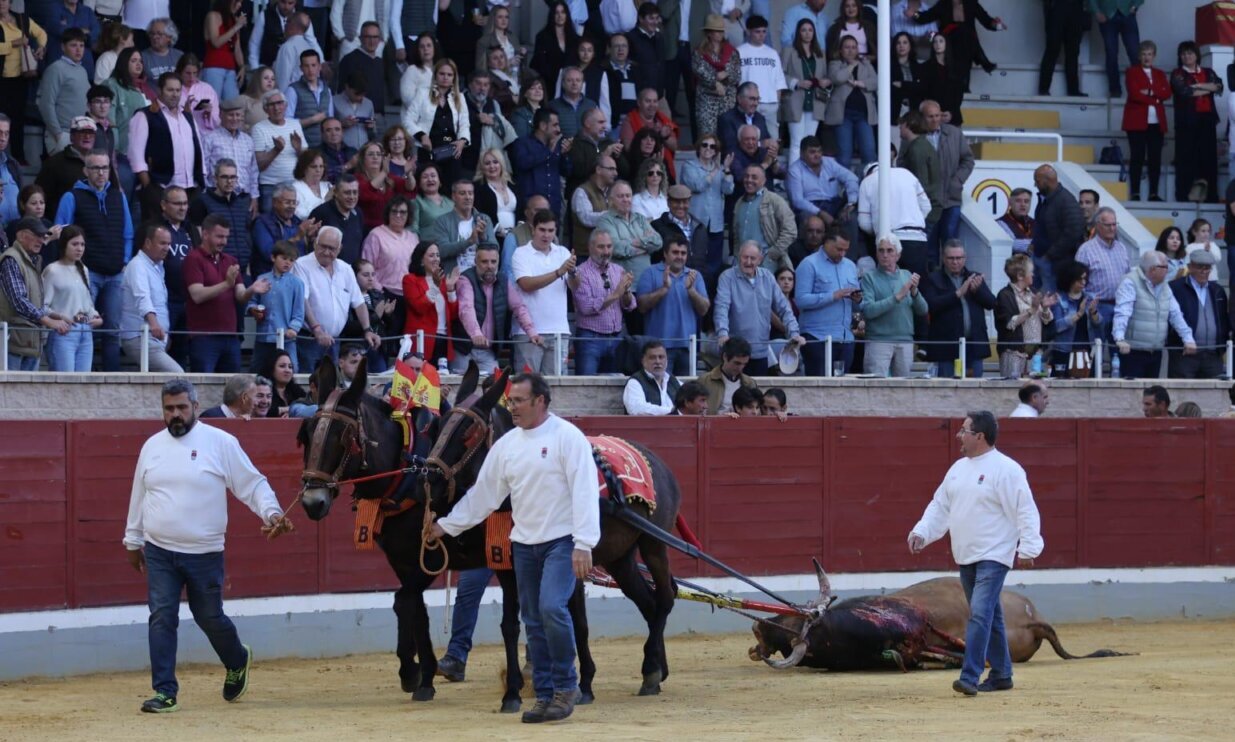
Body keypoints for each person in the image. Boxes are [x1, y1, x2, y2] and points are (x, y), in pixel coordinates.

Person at [427, 372, 596, 724]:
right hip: (524, 543)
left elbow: (584, 492)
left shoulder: (568, 437)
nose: (512, 407)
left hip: (563, 542)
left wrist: (584, 543)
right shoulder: (507, 446)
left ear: (540, 401)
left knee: (551, 608)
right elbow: (484, 496)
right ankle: (546, 695)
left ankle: (567, 686)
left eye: (518, 400)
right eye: (510, 401)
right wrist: (445, 526)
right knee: (533, 620)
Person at [123, 378, 294, 713]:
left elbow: (252, 483)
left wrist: (272, 511)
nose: (175, 414)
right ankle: (165, 691)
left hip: (204, 552)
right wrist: (133, 539)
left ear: (196, 407)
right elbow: (139, 494)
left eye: (181, 408)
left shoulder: (220, 442)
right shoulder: (152, 446)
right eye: (169, 408)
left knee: (209, 617)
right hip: (159, 551)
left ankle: (237, 659)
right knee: (161, 616)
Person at [907, 410, 1043, 696]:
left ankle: (969, 676)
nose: (959, 435)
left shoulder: (1007, 469)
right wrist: (922, 531)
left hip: (994, 556)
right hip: (966, 554)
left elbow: (1025, 510)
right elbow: (940, 506)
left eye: (964, 431)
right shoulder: (957, 469)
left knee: (979, 614)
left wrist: (1029, 547)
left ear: (979, 436)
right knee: (990, 616)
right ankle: (1002, 673)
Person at [54, 149, 136, 372]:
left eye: (105, 168)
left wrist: (125, 260)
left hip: (115, 273)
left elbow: (127, 233)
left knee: (111, 330)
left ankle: (111, 378)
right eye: (96, 168)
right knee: (81, 327)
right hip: (86, 275)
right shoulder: (72, 197)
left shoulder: (118, 196)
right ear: (85, 171)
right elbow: (61, 233)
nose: (101, 173)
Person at [184, 214, 269, 372]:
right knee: (204, 386)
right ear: (205, 234)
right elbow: (197, 295)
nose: (224, 241)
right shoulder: (193, 259)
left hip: (230, 337)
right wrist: (226, 284)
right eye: (219, 236)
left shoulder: (230, 260)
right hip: (204, 338)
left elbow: (240, 295)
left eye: (226, 237)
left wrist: (252, 289)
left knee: (233, 389)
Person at [716, 241, 803, 376]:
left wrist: (794, 333)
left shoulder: (767, 277)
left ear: (760, 260)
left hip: (761, 352)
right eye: (745, 257)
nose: (748, 262)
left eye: (753, 258)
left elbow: (784, 308)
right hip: (735, 353)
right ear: (739, 256)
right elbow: (722, 307)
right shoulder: (727, 277)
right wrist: (722, 333)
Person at [1113, 250, 1196, 379]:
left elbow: (1176, 314)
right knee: (1133, 394)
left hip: (1156, 351)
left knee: (1153, 394)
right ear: (1153, 269)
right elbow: (1123, 312)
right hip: (1133, 352)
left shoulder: (1165, 287)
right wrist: (1120, 339)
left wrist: (1188, 339)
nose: (1168, 270)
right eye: (1166, 267)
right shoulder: (1130, 282)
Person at [512, 209, 576, 374]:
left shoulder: (563, 252)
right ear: (533, 229)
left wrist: (573, 271)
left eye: (550, 230)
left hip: (559, 332)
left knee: (557, 390)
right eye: (542, 230)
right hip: (527, 333)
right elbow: (526, 284)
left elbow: (575, 287)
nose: (546, 235)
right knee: (526, 387)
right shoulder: (521, 253)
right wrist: (558, 273)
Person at [922, 239, 997, 378]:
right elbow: (930, 306)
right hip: (947, 346)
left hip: (973, 345)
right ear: (943, 258)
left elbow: (992, 303)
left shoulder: (974, 277)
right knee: (947, 392)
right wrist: (957, 294)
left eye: (959, 258)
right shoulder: (933, 278)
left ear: (965, 258)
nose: (955, 262)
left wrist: (977, 291)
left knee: (975, 391)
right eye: (951, 258)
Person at [1, 219, 69, 370]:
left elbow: (34, 301)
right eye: (37, 235)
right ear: (22, 236)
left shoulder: (33, 260)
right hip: (13, 343)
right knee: (11, 392)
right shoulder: (11, 260)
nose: (42, 240)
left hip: (30, 341)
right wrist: (48, 321)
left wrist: (55, 316)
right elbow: (18, 300)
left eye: (43, 235)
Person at [636, 238, 710, 376]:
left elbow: (704, 309)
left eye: (683, 253)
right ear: (665, 253)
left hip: (688, 348)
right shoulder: (650, 273)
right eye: (675, 252)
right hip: (658, 349)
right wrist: (664, 289)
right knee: (660, 391)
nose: (679, 257)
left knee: (686, 394)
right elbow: (641, 306)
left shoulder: (695, 276)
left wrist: (691, 291)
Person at [454, 242, 531, 374]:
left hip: (489, 351)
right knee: (461, 392)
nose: (489, 266)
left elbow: (519, 307)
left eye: (493, 262)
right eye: (484, 262)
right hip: (465, 350)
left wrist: (531, 331)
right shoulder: (465, 279)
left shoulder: (503, 280)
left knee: (495, 390)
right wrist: (476, 334)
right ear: (475, 261)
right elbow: (466, 309)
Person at [794, 228, 859, 376]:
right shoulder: (809, 264)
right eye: (839, 249)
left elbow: (860, 301)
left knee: (842, 389)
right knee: (818, 387)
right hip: (817, 337)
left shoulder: (850, 266)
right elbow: (801, 300)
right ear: (827, 243)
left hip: (845, 338)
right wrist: (833, 296)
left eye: (845, 250)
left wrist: (858, 299)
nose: (842, 254)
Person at [860, 235, 927, 377]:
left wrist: (914, 292)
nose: (885, 255)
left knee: (903, 390)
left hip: (905, 341)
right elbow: (868, 311)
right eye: (881, 250)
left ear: (898, 255)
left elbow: (923, 310)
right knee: (875, 388)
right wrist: (897, 297)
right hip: (878, 340)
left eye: (890, 251)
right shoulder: (869, 278)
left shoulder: (907, 275)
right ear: (876, 253)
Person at [120, 224, 183, 372]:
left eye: (168, 244)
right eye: (162, 243)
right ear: (148, 243)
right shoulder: (138, 265)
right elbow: (142, 297)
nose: (167, 248)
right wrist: (154, 324)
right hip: (140, 337)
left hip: (154, 339)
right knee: (178, 375)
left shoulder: (157, 266)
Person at [571, 229, 635, 375]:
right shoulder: (581, 272)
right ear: (590, 247)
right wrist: (615, 294)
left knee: (613, 388)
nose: (606, 251)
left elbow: (630, 305)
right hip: (590, 339)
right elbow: (585, 307)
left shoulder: (618, 270)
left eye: (609, 246)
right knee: (586, 388)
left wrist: (625, 292)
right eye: (601, 247)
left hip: (616, 337)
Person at [857, 155, 932, 275]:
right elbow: (926, 207)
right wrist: (912, 220)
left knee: (890, 286)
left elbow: (864, 223)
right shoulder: (907, 174)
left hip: (888, 241)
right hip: (917, 238)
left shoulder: (866, 182)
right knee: (916, 286)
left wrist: (878, 229)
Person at [918, 100, 973, 263]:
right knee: (929, 249)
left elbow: (968, 160)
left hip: (951, 199)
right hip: (926, 202)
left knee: (951, 246)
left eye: (938, 115)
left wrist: (957, 181)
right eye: (930, 116)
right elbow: (903, 163)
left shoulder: (955, 133)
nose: (935, 120)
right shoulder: (915, 136)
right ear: (922, 118)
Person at [41, 226, 101, 372]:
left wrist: (96, 316)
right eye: (74, 244)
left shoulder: (84, 269)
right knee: (64, 383)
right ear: (63, 245)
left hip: (85, 331)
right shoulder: (52, 270)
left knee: (83, 383)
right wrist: (61, 317)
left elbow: (87, 304)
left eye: (82, 244)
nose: (79, 248)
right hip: (64, 332)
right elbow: (42, 306)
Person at [912, 0, 1004, 92]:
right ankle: (982, 61)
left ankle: (964, 86)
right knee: (964, 32)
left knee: (965, 36)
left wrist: (997, 25)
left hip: (966, 45)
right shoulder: (943, 4)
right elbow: (925, 17)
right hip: (949, 43)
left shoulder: (971, 3)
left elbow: (987, 21)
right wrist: (914, 14)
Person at [1171, 41, 1222, 204]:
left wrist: (1198, 85)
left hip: (1207, 120)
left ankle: (1210, 196)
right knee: (1186, 159)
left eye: (1190, 53)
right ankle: (1184, 196)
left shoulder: (1208, 71)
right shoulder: (1177, 73)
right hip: (1187, 122)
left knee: (1209, 160)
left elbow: (1219, 86)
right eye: (1184, 54)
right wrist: (1208, 88)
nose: (1187, 57)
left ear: (1196, 55)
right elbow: (1185, 92)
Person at [678, 134, 733, 278]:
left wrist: (726, 169)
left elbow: (728, 190)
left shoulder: (720, 169)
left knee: (715, 262)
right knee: (695, 261)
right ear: (699, 147)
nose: (708, 148)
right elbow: (698, 185)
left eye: (712, 146)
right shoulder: (689, 166)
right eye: (705, 145)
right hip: (696, 221)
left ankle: (711, 294)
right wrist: (715, 171)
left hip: (715, 223)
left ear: (716, 151)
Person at [1167, 250, 1229, 379]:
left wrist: (1222, 347)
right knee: (1181, 395)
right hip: (1184, 355)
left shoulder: (1217, 290)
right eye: (1200, 267)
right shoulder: (1175, 288)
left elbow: (1223, 319)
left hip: (1213, 355)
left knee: (1213, 396)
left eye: (1207, 267)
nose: (1204, 271)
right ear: (1190, 267)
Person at [247, 239, 305, 373]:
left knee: (291, 370)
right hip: (263, 336)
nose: (287, 263)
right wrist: (253, 310)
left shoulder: (297, 283)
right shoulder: (262, 278)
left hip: (286, 338)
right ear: (273, 257)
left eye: (291, 260)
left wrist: (293, 328)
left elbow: (299, 312)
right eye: (284, 258)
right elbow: (252, 302)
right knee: (257, 371)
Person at [994, 254, 1056, 379]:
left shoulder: (1033, 292)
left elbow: (1047, 320)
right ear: (1020, 276)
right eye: (1030, 272)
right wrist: (1032, 309)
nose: (1033, 275)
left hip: (1035, 353)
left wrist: (1044, 307)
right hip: (1014, 352)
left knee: (1035, 388)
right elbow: (1009, 323)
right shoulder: (1005, 295)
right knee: (1011, 390)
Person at [0, 3, 47, 167]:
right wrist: (13, 44)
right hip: (1, 78)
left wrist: (41, 47)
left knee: (18, 118)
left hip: (20, 77)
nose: (1, 3)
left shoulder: (21, 18)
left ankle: (17, 156)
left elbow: (41, 33)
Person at [1075, 206, 1130, 347]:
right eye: (1108, 225)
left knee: (1118, 355)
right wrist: (1090, 303)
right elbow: (1077, 283)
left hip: (1119, 307)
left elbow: (1128, 278)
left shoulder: (1121, 248)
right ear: (1098, 225)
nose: (1112, 228)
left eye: (1114, 224)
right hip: (1097, 308)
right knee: (1095, 353)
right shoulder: (1085, 250)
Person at [1122, 40, 1168, 203]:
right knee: (1137, 157)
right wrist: (1155, 97)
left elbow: (1167, 93)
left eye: (1149, 54)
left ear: (1154, 56)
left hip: (1156, 122)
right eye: (1143, 54)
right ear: (1139, 56)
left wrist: (1148, 92)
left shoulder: (1160, 74)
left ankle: (1153, 193)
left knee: (1155, 158)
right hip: (1136, 121)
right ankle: (1135, 192)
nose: (1146, 57)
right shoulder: (1131, 72)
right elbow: (1134, 94)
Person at [402, 239, 459, 368]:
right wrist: (435, 286)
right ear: (421, 260)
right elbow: (419, 307)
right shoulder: (410, 280)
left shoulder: (444, 282)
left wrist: (450, 290)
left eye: (438, 255)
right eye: (431, 255)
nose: (436, 259)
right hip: (423, 341)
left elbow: (454, 315)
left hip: (443, 340)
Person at [1030, 164, 1085, 293]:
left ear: (1046, 181)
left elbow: (1073, 232)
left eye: (1037, 181)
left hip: (1055, 263)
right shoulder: (1048, 199)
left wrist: (1050, 254)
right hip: (1042, 258)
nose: (1035, 185)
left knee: (1050, 300)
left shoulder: (1066, 201)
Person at [38, 28, 91, 156]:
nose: (78, 49)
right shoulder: (56, 69)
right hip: (63, 133)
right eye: (73, 45)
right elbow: (46, 104)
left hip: (80, 134)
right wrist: (58, 134)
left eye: (81, 45)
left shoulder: (82, 71)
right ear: (63, 47)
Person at [733, 165, 797, 273]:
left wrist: (772, 255)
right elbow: (736, 235)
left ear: (763, 181)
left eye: (754, 177)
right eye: (747, 176)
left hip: (768, 266)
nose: (749, 180)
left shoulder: (775, 201)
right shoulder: (739, 202)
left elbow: (791, 231)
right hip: (743, 265)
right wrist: (737, 255)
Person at [511, 108, 572, 218]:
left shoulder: (557, 145)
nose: (558, 129)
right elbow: (522, 163)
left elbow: (567, 171)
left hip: (553, 206)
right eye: (555, 125)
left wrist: (565, 154)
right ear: (543, 126)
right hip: (531, 208)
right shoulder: (523, 143)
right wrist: (548, 151)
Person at [251, 89, 306, 212]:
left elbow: (306, 161)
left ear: (286, 105)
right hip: (271, 186)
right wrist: (276, 150)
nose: (276, 108)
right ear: (265, 109)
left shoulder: (295, 124)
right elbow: (259, 165)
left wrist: (298, 149)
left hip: (295, 184)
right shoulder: (259, 128)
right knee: (270, 224)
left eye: (280, 103)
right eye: (271, 105)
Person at [203, 98, 260, 212]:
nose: (235, 118)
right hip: (218, 197)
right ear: (220, 115)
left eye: (238, 115)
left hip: (243, 197)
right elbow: (204, 170)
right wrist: (210, 194)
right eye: (231, 115)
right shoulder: (210, 139)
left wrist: (254, 197)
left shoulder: (248, 140)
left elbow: (253, 171)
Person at [693, 14, 741, 143]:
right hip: (706, 100)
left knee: (728, 136)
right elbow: (700, 71)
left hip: (727, 100)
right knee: (707, 137)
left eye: (721, 30)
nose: (720, 34)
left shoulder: (731, 51)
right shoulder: (700, 52)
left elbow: (737, 74)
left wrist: (727, 73)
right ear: (709, 33)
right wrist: (715, 82)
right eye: (716, 31)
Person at [1050, 260, 1101, 376]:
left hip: (1086, 351)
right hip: (1064, 350)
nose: (1083, 282)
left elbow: (1098, 324)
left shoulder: (1089, 298)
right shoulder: (1059, 299)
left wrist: (1093, 312)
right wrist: (1078, 315)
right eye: (1079, 280)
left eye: (1085, 279)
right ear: (1070, 280)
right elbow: (1057, 327)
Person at [618, 87, 679, 177]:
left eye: (655, 101)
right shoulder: (630, 120)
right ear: (639, 103)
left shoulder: (662, 119)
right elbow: (628, 148)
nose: (652, 105)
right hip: (639, 170)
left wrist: (664, 136)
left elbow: (674, 147)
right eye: (648, 101)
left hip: (663, 169)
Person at [1038, 0, 1087, 96]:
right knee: (1052, 48)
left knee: (1073, 51)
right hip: (1056, 6)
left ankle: (1073, 90)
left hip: (1076, 8)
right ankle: (1043, 89)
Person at [285, 49, 333, 150]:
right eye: (306, 66)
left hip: (325, 148)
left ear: (320, 67)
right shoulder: (292, 90)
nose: (310, 70)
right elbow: (286, 123)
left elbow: (331, 119)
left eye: (313, 65)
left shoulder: (327, 90)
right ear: (301, 68)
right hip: (303, 148)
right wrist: (312, 120)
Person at [531, 1, 581, 94]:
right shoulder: (542, 37)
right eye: (556, 13)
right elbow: (539, 62)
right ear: (552, 15)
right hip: (549, 84)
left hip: (570, 85)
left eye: (563, 12)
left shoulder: (575, 38)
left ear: (567, 15)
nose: (560, 15)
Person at [1095, 0, 1142, 98]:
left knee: (1135, 53)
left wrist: (1135, 6)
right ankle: (1115, 90)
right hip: (1107, 14)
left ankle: (1141, 88)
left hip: (1127, 14)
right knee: (1111, 53)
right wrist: (1096, 11)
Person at [700, 335, 758, 414]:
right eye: (737, 363)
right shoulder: (704, 381)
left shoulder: (750, 383)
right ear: (725, 357)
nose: (740, 368)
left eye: (744, 364)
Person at [624, 338, 681, 415]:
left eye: (661, 357)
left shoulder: (674, 381)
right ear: (643, 361)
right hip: (647, 426)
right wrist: (672, 411)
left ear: (667, 360)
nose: (658, 361)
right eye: (652, 358)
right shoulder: (635, 382)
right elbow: (636, 409)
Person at [272, 13, 320, 91]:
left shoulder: (287, 47)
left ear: (292, 26)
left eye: (286, 22)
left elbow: (282, 80)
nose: (284, 26)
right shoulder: (310, 47)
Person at [261, 349, 305, 416]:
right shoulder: (261, 388)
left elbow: (310, 405)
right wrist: (288, 410)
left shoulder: (296, 390)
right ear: (271, 368)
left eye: (290, 367)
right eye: (282, 366)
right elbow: (261, 409)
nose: (287, 370)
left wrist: (290, 412)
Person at [995, 188, 1035, 256]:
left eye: (1026, 201)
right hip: (1014, 265)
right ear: (1010, 202)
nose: (1023, 204)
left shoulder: (1036, 223)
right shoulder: (1000, 223)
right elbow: (1010, 243)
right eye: (1018, 201)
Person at [239, 66, 276, 131]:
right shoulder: (244, 100)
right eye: (266, 78)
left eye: (272, 79)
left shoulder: (276, 103)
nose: (270, 81)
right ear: (257, 80)